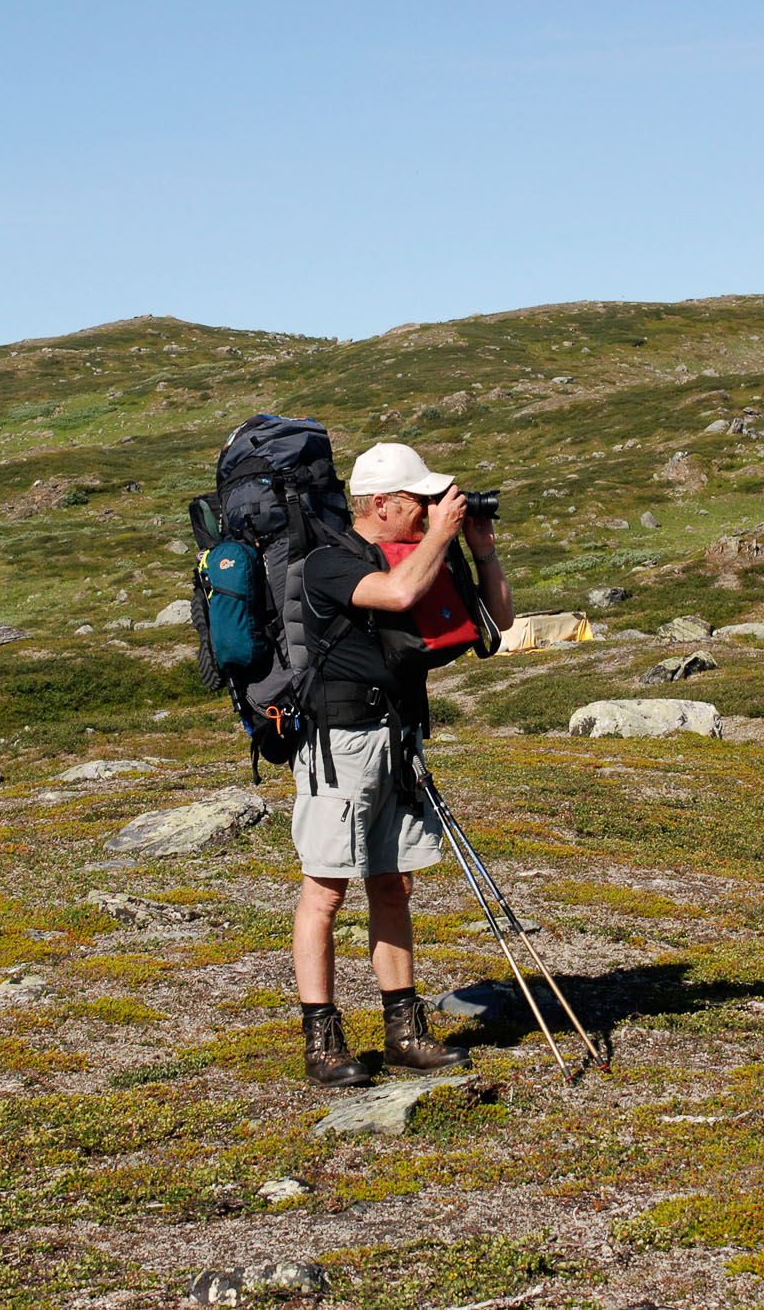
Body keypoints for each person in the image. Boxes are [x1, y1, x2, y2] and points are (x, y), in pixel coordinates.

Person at [290, 441, 515, 1086]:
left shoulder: (419, 554)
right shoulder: (328, 562)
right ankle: (322, 1039)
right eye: (418, 502)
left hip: (400, 737)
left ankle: (404, 1029)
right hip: (342, 743)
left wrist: (481, 549)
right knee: (325, 890)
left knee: (393, 883)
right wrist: (438, 539)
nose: (428, 511)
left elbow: (497, 618)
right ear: (382, 504)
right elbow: (394, 594)